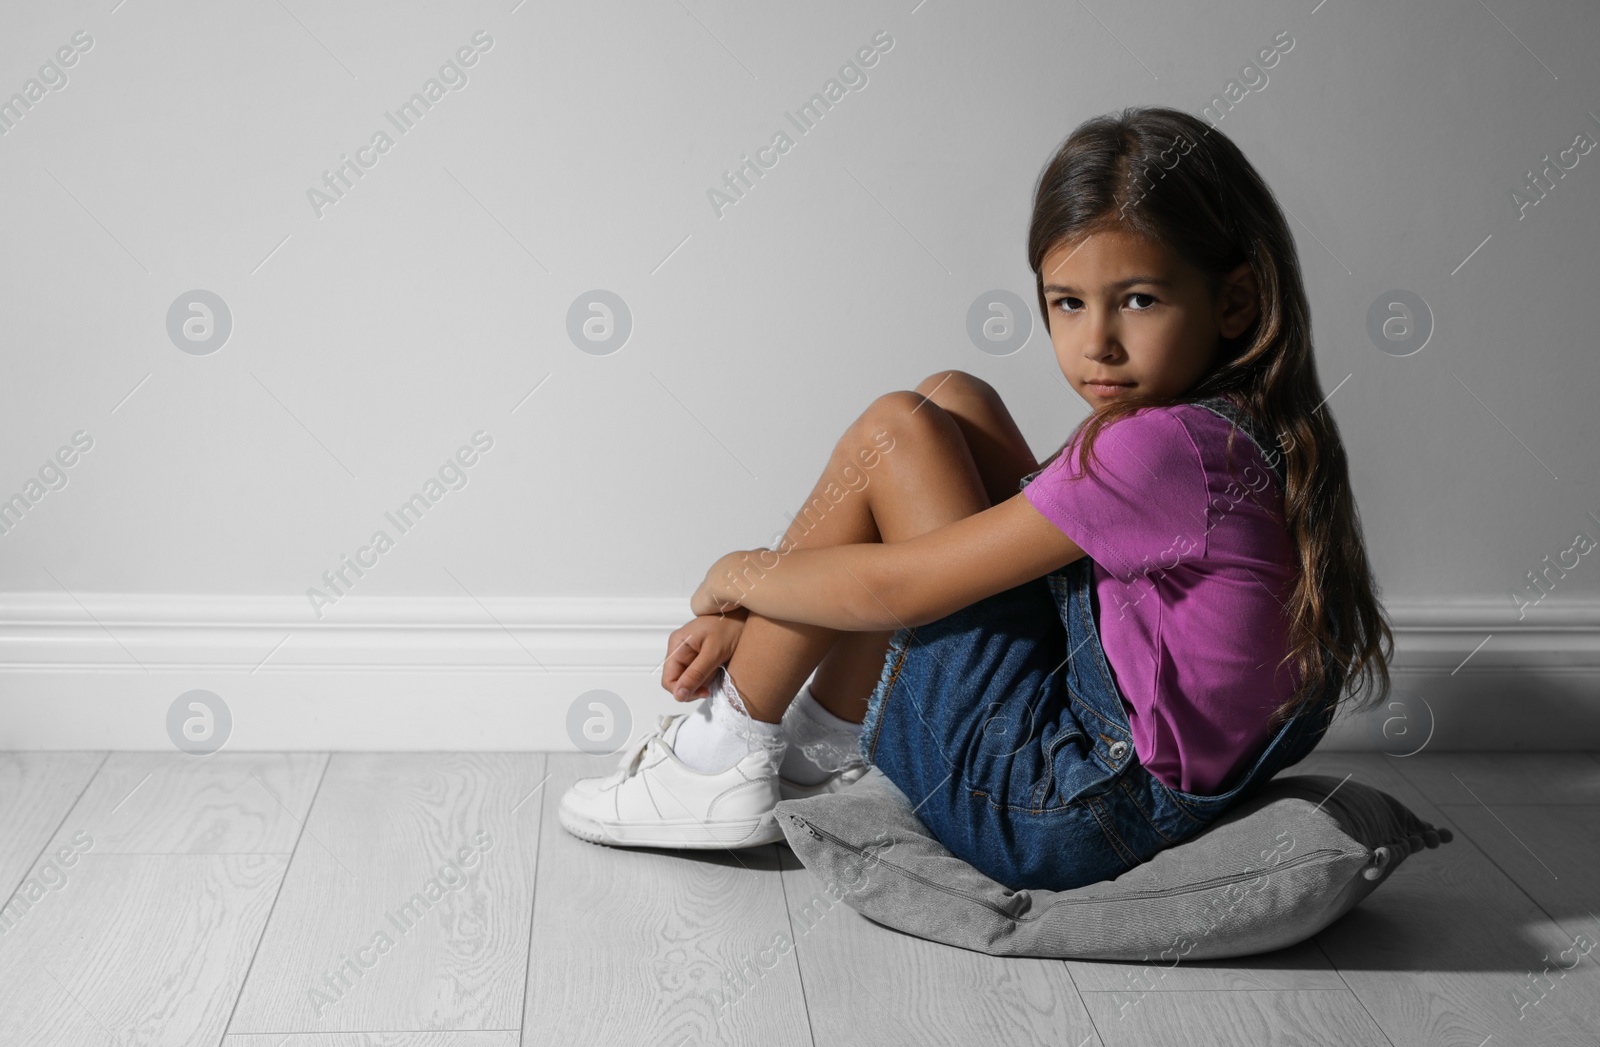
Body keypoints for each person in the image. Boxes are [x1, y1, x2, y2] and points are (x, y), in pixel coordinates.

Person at [558, 105, 1394, 891]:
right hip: (1103, 776)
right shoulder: (1240, 424)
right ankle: (820, 740)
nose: (1095, 342)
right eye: (1068, 303)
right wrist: (751, 608)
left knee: (894, 433)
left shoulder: (1160, 449)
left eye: (1138, 300)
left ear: (1235, 301)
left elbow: (897, 588)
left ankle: (720, 756)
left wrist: (730, 577)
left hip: (1061, 810)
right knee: (951, 399)